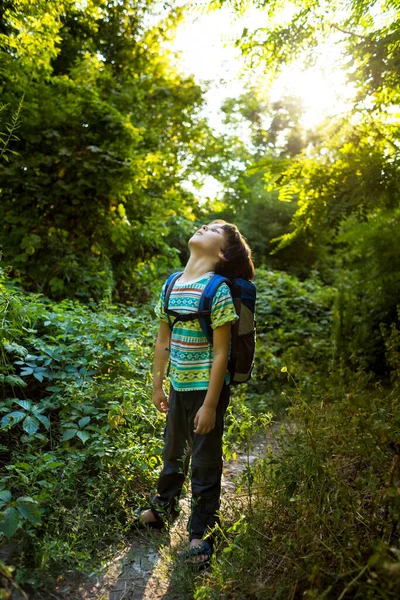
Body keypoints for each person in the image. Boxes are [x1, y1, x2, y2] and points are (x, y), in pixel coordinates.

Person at [135, 220, 255, 567]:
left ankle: (200, 532)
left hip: (207, 391)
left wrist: (210, 405)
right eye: (206, 224)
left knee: (204, 460)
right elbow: (163, 341)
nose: (204, 227)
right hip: (178, 386)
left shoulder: (216, 289)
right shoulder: (171, 284)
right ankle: (162, 508)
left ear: (221, 253)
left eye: (214, 229)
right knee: (173, 448)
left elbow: (221, 353)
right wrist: (158, 384)